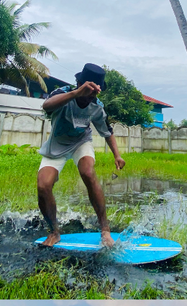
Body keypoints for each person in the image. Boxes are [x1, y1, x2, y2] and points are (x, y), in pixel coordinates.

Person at [36, 63, 126, 248]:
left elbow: (107, 132)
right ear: (78, 83)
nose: (90, 96)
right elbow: (47, 106)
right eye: (88, 90)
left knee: (88, 172)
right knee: (43, 185)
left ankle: (105, 230)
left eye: (94, 92)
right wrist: (77, 93)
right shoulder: (63, 93)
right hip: (57, 145)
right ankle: (54, 232)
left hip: (81, 143)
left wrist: (117, 156)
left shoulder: (96, 107)